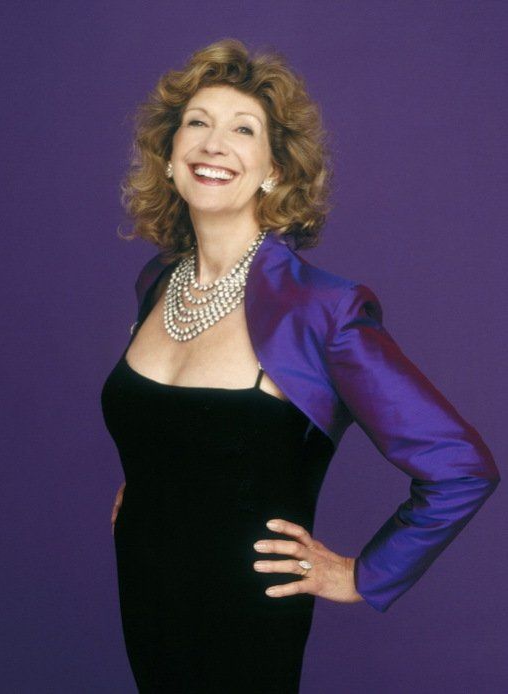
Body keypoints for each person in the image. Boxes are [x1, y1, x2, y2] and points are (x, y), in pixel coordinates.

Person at [100, 38, 500, 693]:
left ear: (274, 171)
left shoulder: (323, 310)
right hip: (145, 591)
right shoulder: (158, 282)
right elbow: (179, 428)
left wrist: (362, 574)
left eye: (243, 130)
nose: (213, 143)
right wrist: (155, 475)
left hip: (245, 617)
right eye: (197, 123)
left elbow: (460, 466)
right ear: (169, 157)